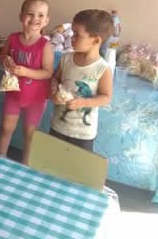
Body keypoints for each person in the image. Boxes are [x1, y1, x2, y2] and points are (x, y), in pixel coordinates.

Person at [0, 0, 54, 164]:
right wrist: (5, 60)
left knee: (30, 135)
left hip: (35, 98)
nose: (35, 18)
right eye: (30, 14)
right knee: (6, 128)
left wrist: (26, 72)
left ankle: (25, 165)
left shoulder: (45, 45)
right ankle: (0, 158)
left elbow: (47, 73)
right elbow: (2, 56)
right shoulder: (12, 38)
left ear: (46, 20)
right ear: (21, 16)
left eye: (40, 15)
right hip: (13, 94)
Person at [49, 10, 114, 151]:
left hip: (83, 134)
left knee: (76, 165)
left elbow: (106, 97)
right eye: (72, 33)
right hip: (58, 126)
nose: (72, 38)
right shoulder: (66, 59)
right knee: (52, 160)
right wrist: (54, 92)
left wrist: (84, 103)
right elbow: (55, 79)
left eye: (77, 35)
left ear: (96, 40)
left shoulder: (102, 69)